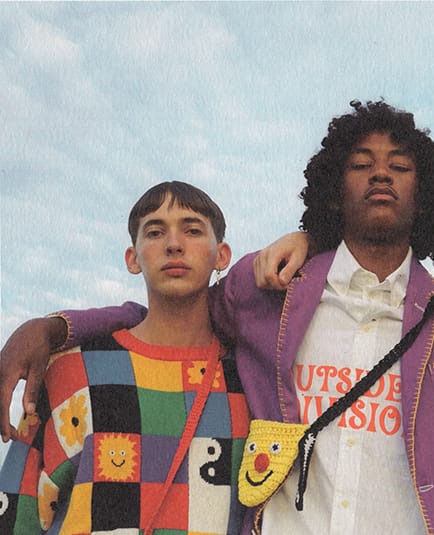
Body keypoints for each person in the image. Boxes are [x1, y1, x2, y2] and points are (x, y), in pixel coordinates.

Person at [0, 101, 434, 535]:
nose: (381, 173)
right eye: (361, 164)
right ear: (333, 190)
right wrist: (53, 328)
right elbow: (170, 313)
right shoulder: (273, 292)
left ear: (425, 193)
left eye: (400, 166)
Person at [0, 182, 249, 534]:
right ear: (133, 258)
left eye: (192, 230)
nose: (174, 244)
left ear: (221, 255)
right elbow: (18, 512)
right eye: (155, 232)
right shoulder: (71, 371)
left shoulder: (248, 381)